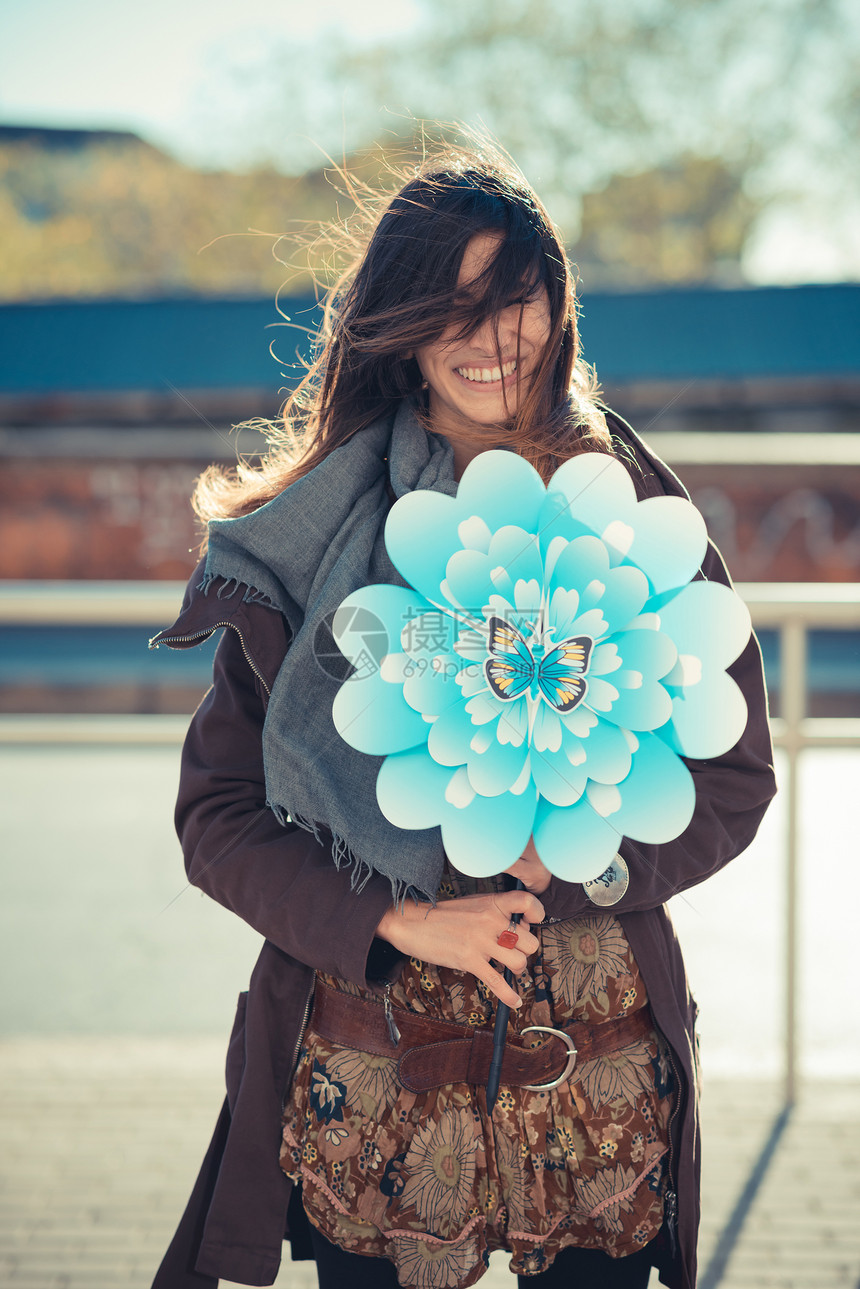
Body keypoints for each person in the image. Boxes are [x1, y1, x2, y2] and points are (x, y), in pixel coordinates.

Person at [150, 146, 776, 1289]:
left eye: (518, 298)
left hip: (596, 1092)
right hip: (374, 1080)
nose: (494, 337)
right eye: (456, 305)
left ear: (559, 304)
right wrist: (394, 919)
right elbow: (218, 816)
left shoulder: (629, 509)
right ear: (400, 322)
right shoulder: (310, 537)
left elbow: (734, 782)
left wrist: (584, 865)